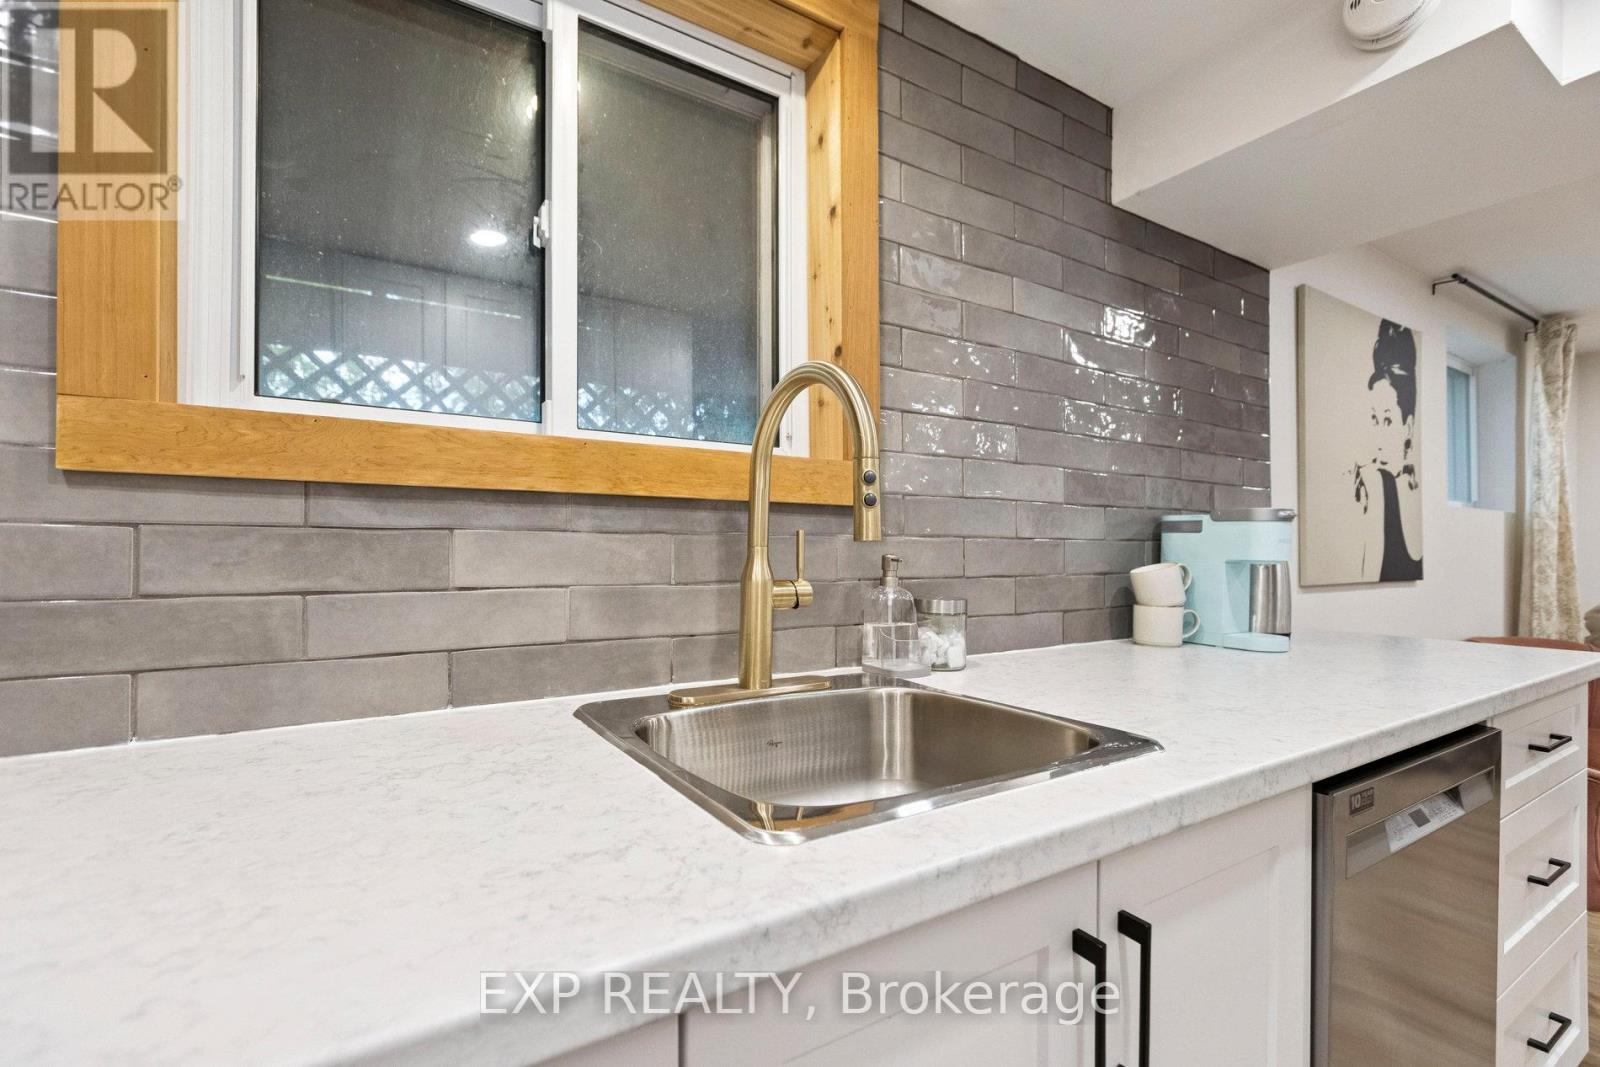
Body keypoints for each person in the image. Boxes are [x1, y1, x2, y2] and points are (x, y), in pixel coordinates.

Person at [1352, 319, 1423, 581]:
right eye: (1373, 419)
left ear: (1408, 427)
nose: (1378, 436)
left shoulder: (1378, 483)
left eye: (1388, 420)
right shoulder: (1410, 491)